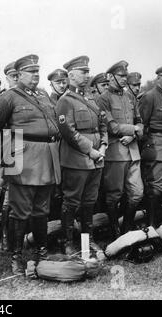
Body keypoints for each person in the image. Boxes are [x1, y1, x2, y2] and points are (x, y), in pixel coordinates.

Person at [0, 54, 61, 274]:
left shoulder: (42, 95)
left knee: (42, 209)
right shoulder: (9, 97)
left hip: (46, 156)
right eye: (30, 72)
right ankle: (16, 256)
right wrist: (7, 159)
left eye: (37, 72)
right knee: (20, 211)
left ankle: (41, 252)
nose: (35, 76)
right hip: (22, 157)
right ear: (18, 74)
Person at [56, 55, 108, 256]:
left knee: (89, 202)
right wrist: (92, 150)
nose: (87, 75)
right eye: (83, 72)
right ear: (71, 75)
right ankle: (67, 242)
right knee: (71, 202)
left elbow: (103, 125)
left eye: (88, 71)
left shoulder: (91, 99)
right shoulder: (65, 101)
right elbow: (68, 131)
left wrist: (103, 146)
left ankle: (88, 241)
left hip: (97, 159)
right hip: (76, 160)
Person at [96, 61, 144, 236]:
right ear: (111, 77)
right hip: (115, 153)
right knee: (114, 195)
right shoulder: (103, 99)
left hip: (133, 151)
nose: (125, 79)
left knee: (137, 193)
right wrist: (134, 129)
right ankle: (115, 231)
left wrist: (134, 133)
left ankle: (127, 227)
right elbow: (112, 127)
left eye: (126, 76)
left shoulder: (130, 97)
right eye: (121, 76)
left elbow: (139, 121)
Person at [138, 65, 162, 227]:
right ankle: (151, 224)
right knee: (155, 188)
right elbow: (141, 124)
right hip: (157, 146)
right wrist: (147, 146)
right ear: (158, 78)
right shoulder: (149, 96)